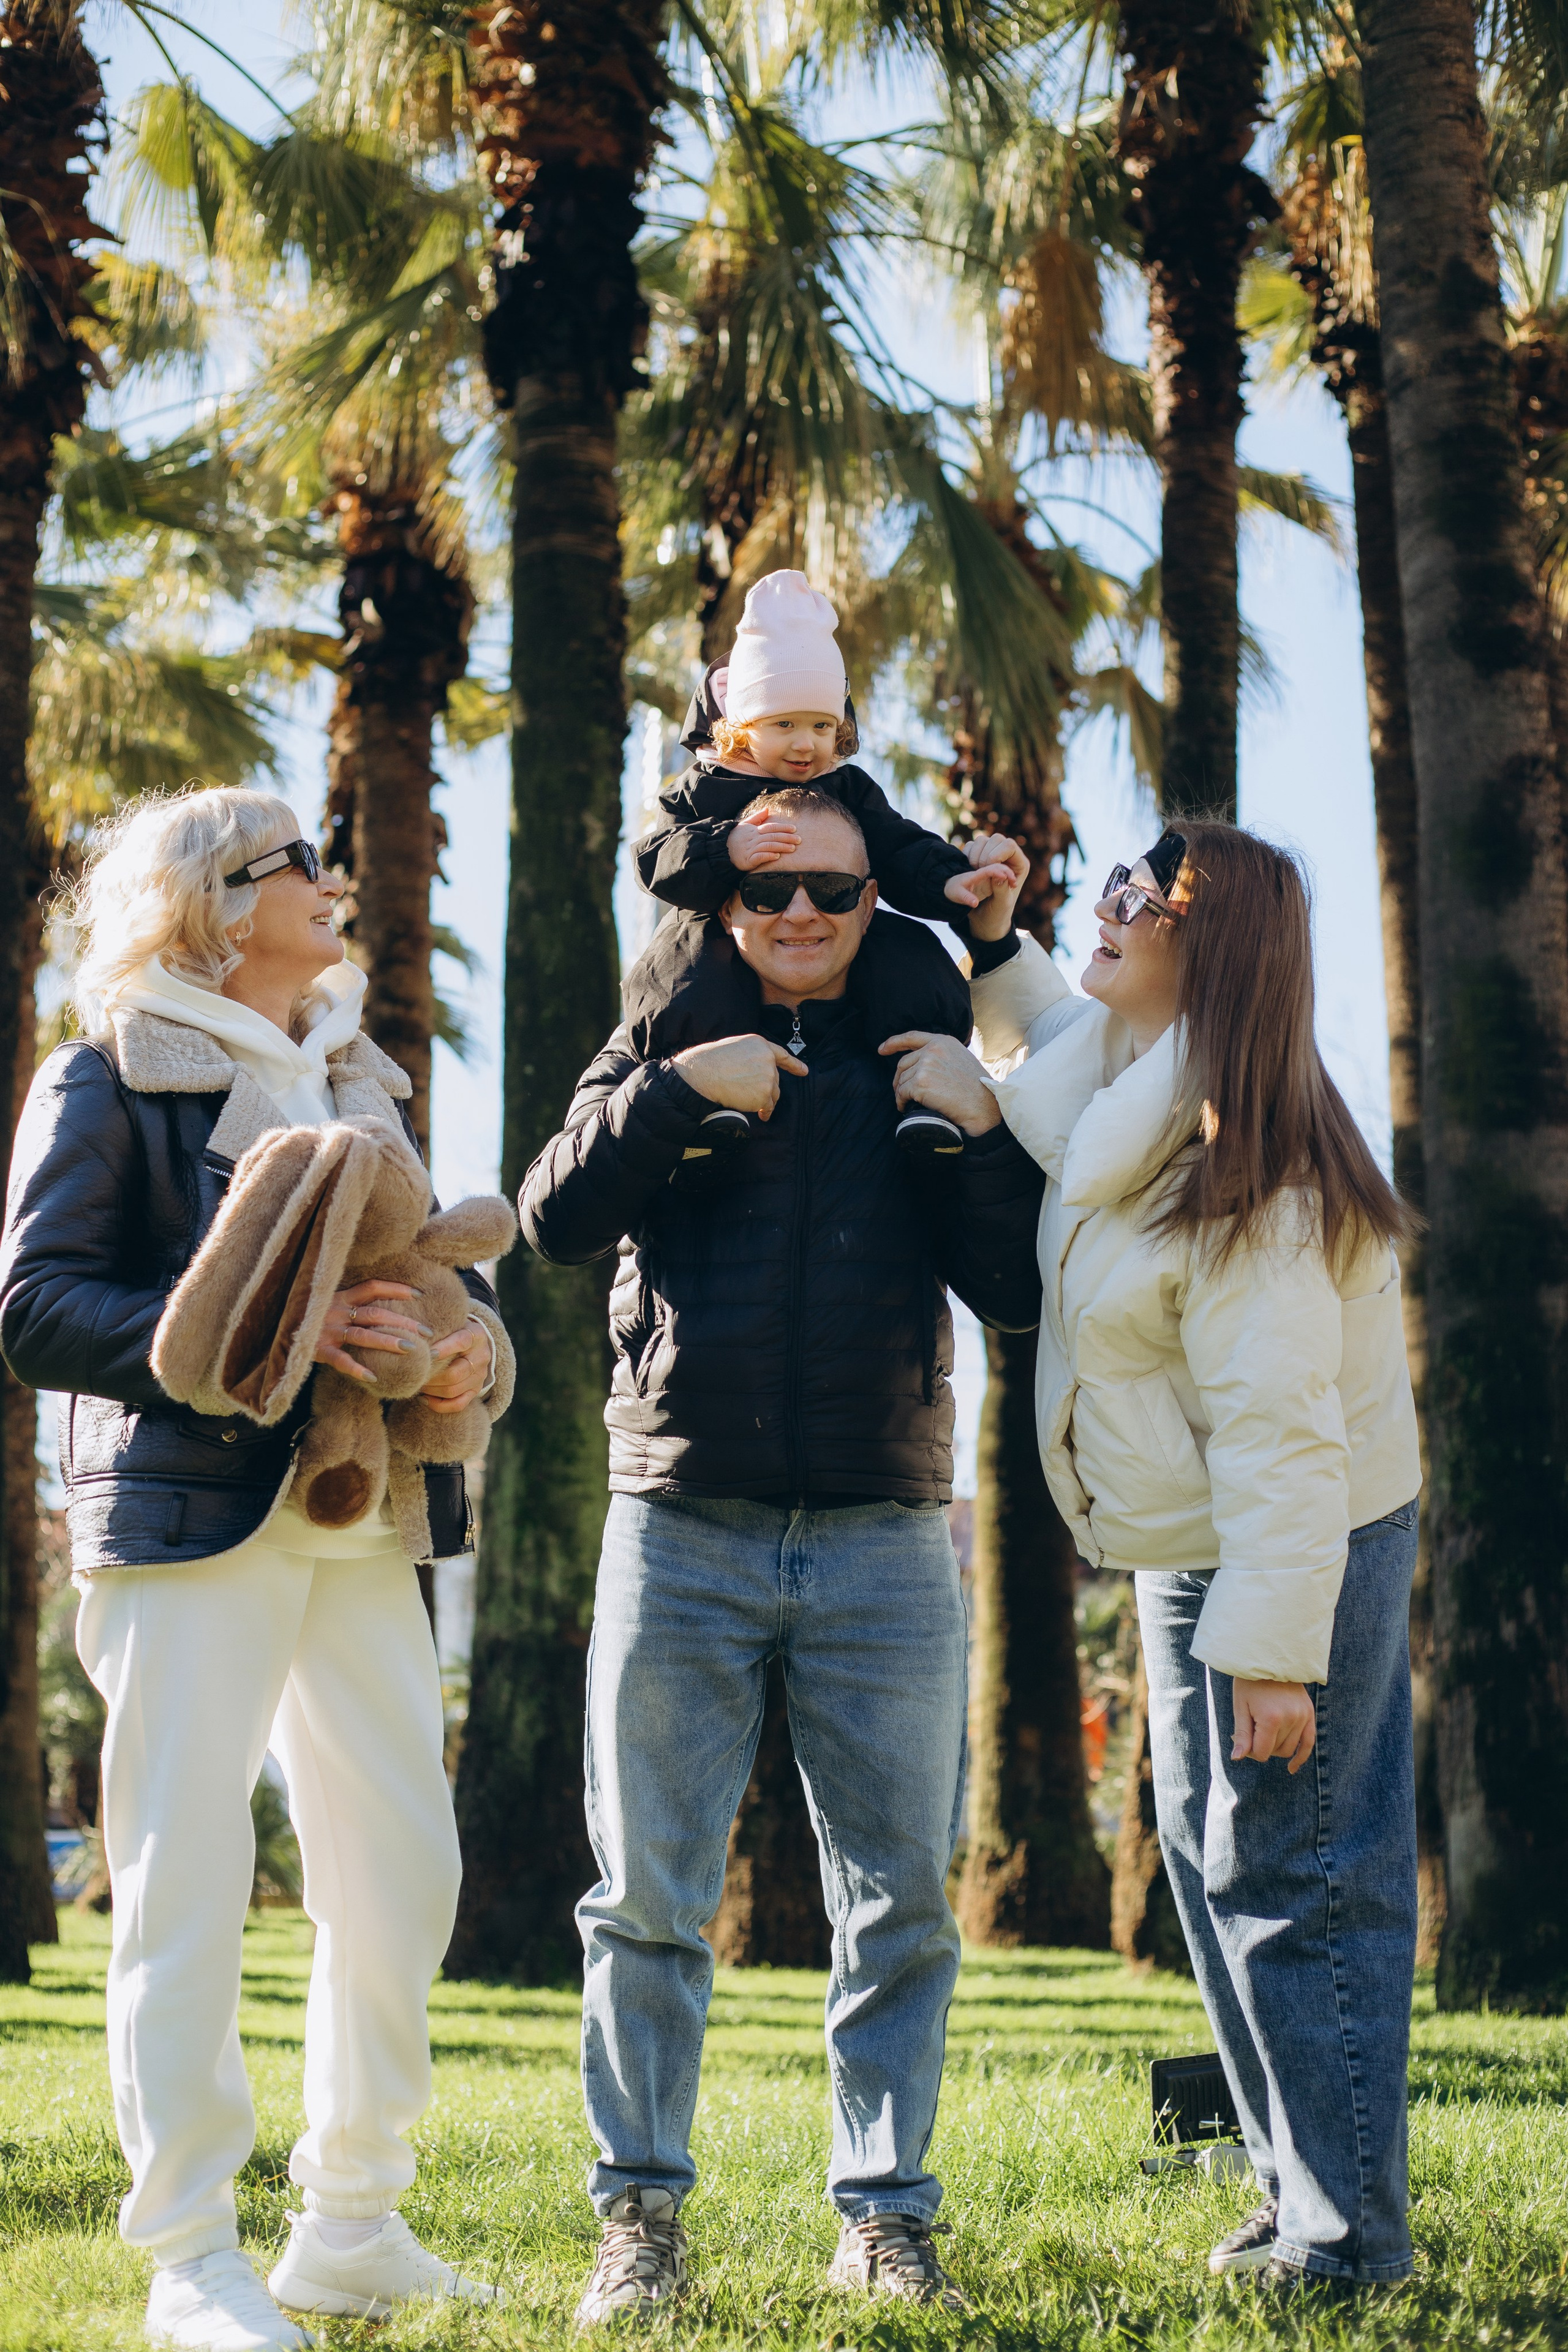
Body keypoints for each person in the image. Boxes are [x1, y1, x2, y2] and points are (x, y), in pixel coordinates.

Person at [0, 788, 516, 2352]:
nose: (331, 875)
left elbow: (434, 1276)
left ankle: (351, 2222)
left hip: (361, 1517)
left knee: (404, 1867)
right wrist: (278, 1338)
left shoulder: (360, 1076)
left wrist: (452, 1350)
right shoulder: (106, 1071)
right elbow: (40, 1305)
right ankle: (191, 2259)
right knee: (184, 1878)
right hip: (183, 1513)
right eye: (297, 859)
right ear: (214, 902)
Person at [521, 789, 1044, 2322]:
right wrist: (674, 1092)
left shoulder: (918, 1046)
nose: (802, 913)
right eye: (768, 892)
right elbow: (552, 1217)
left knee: (900, 1905)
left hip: (885, 1531)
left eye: (834, 887)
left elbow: (1015, 1286)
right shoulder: (664, 1033)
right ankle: (637, 2220)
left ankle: (883, 2221)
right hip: (678, 1521)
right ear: (723, 905)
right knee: (646, 1900)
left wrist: (975, 1125)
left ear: (877, 896)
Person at [948, 820, 1422, 2293]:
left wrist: (1275, 1654)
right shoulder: (1138, 1078)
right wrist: (994, 945)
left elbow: (1282, 1435)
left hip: (1294, 1538)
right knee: (1212, 1861)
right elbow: (1053, 1050)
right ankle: (1289, 2194)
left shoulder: (1248, 1171)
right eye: (1112, 882)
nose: (1107, 906)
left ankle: (1347, 2243)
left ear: (1205, 950)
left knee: (1295, 1872)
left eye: (1139, 900)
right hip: (1195, 1535)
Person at [626, 568, 1025, 1152]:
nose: (804, 743)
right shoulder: (705, 787)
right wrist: (724, 847)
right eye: (783, 724)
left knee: (912, 968)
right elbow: (654, 857)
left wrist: (949, 881)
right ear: (741, 725)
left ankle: (925, 1096)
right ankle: (703, 1111)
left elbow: (897, 844)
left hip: (837, 929)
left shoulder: (846, 788)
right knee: (688, 983)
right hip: (719, 930)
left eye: (821, 726)